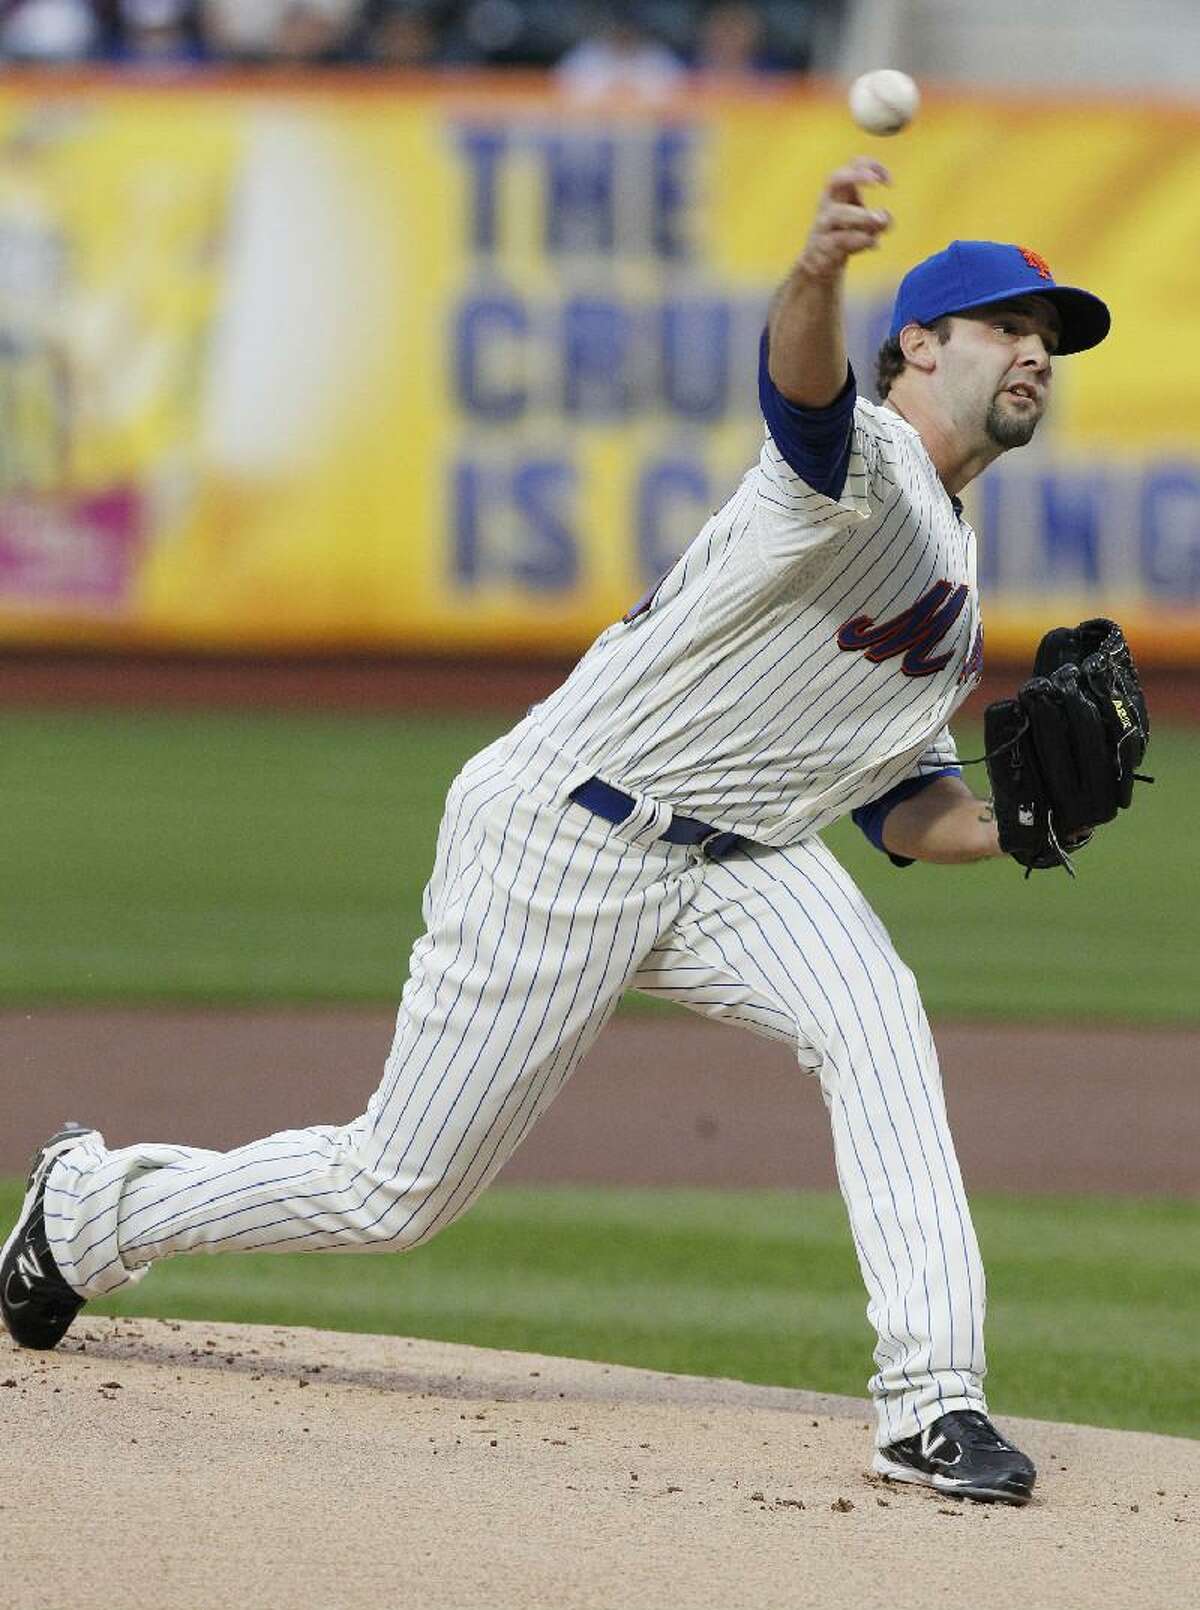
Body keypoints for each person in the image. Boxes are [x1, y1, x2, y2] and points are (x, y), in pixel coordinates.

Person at [1, 157, 1111, 1505]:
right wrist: (816, 274)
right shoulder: (864, 463)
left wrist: (1019, 827)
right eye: (1009, 327)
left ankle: (932, 1401)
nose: (1035, 355)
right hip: (566, 829)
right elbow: (803, 391)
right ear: (922, 346)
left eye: (1048, 340)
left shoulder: (953, 588)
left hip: (740, 859)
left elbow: (900, 803)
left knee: (876, 1018)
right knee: (395, 1190)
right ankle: (87, 1210)